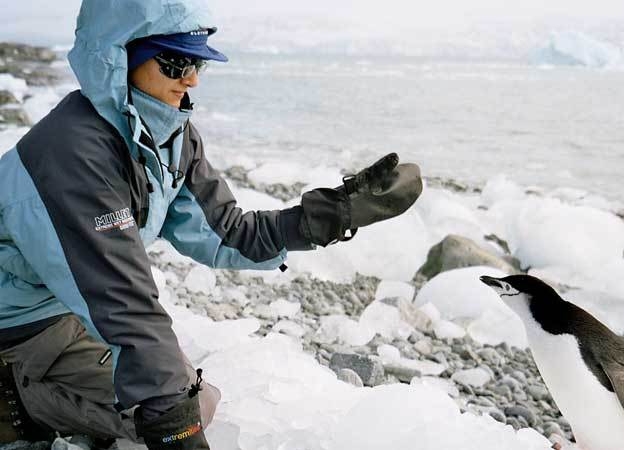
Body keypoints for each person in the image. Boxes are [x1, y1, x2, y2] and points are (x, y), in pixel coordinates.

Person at [0, 1, 422, 449]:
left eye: (198, 61)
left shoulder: (168, 136)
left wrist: (328, 216)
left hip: (66, 309)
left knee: (192, 397)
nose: (192, 78)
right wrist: (172, 422)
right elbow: (120, 301)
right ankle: (16, 404)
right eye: (175, 61)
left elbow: (227, 231)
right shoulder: (73, 155)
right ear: (119, 58)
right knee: (176, 408)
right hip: (20, 327)